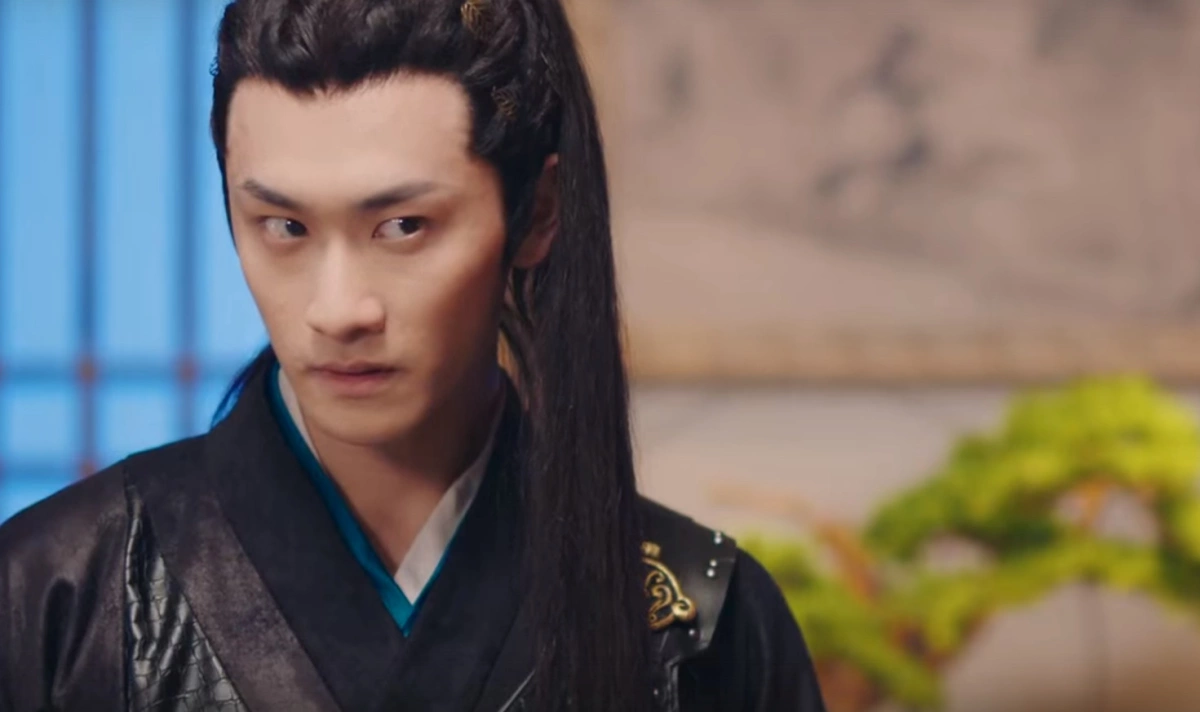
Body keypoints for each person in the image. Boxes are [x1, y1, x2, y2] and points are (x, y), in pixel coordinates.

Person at [0, 1, 826, 710]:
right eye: (284, 227)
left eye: (403, 227)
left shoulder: (702, 624)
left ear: (538, 213)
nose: (338, 310)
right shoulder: (62, 591)